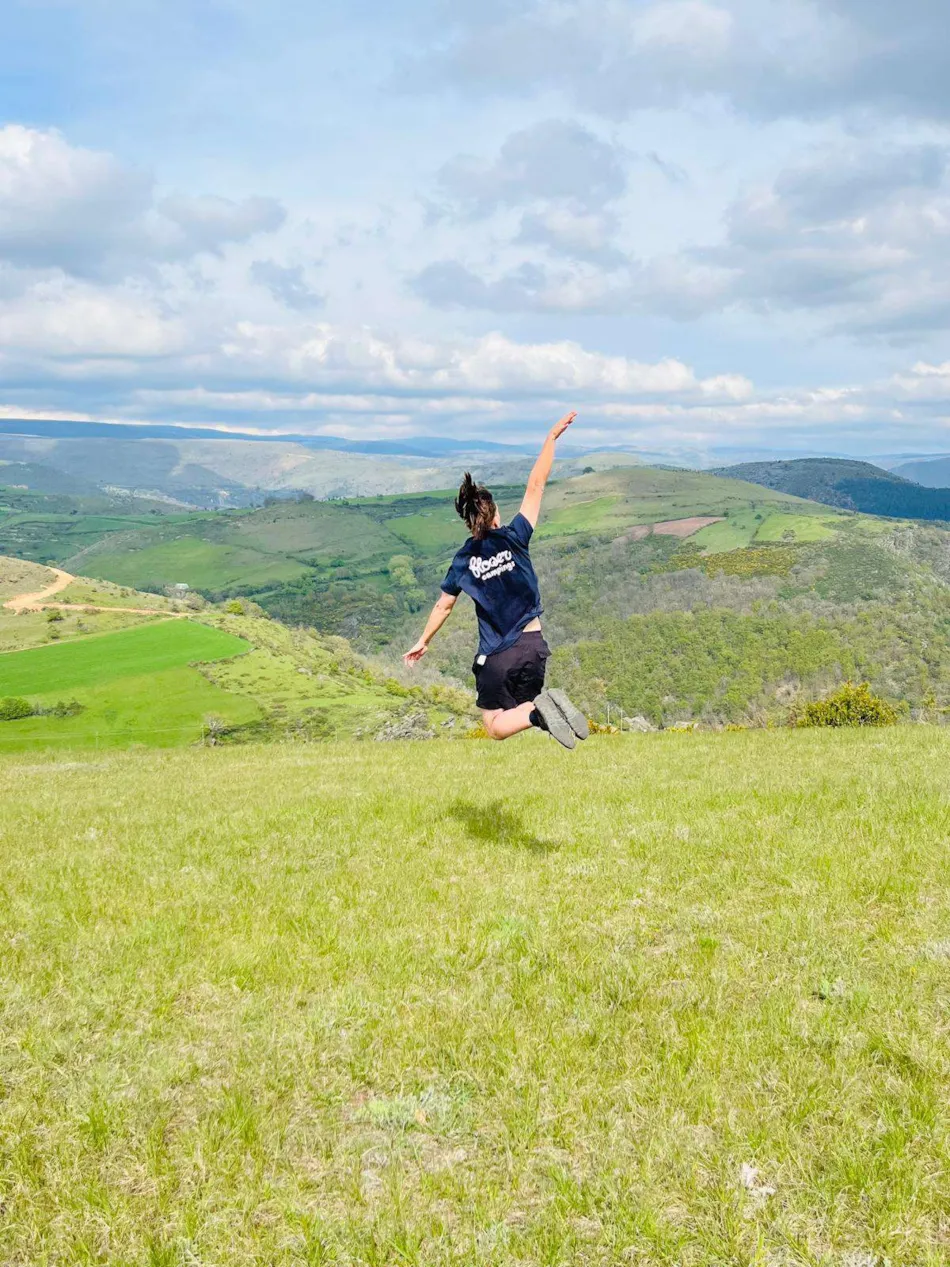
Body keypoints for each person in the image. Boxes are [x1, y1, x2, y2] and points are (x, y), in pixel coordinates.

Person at [403, 411, 590, 750]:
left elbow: (443, 606)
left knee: (494, 725)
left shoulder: (463, 560)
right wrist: (550, 439)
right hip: (534, 648)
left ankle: (538, 715)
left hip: (498, 655)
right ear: (495, 514)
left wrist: (424, 640)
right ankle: (540, 711)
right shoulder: (515, 536)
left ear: (469, 522)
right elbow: (536, 485)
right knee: (523, 706)